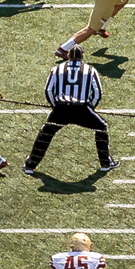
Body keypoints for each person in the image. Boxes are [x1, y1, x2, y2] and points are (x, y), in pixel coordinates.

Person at [26, 40, 116, 174]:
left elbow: (48, 90)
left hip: (61, 109)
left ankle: (30, 165)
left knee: (45, 134)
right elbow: (97, 93)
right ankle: (105, 163)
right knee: (101, 128)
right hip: (82, 109)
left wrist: (55, 107)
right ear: (82, 56)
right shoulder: (90, 70)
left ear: (68, 56)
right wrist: (91, 108)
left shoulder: (56, 69)